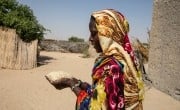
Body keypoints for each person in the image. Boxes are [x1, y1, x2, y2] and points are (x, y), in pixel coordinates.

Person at [48, 9, 144, 110]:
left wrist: (70, 84)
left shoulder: (111, 67)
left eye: (94, 33)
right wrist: (80, 83)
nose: (90, 38)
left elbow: (95, 106)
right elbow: (103, 93)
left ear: (107, 34)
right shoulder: (127, 60)